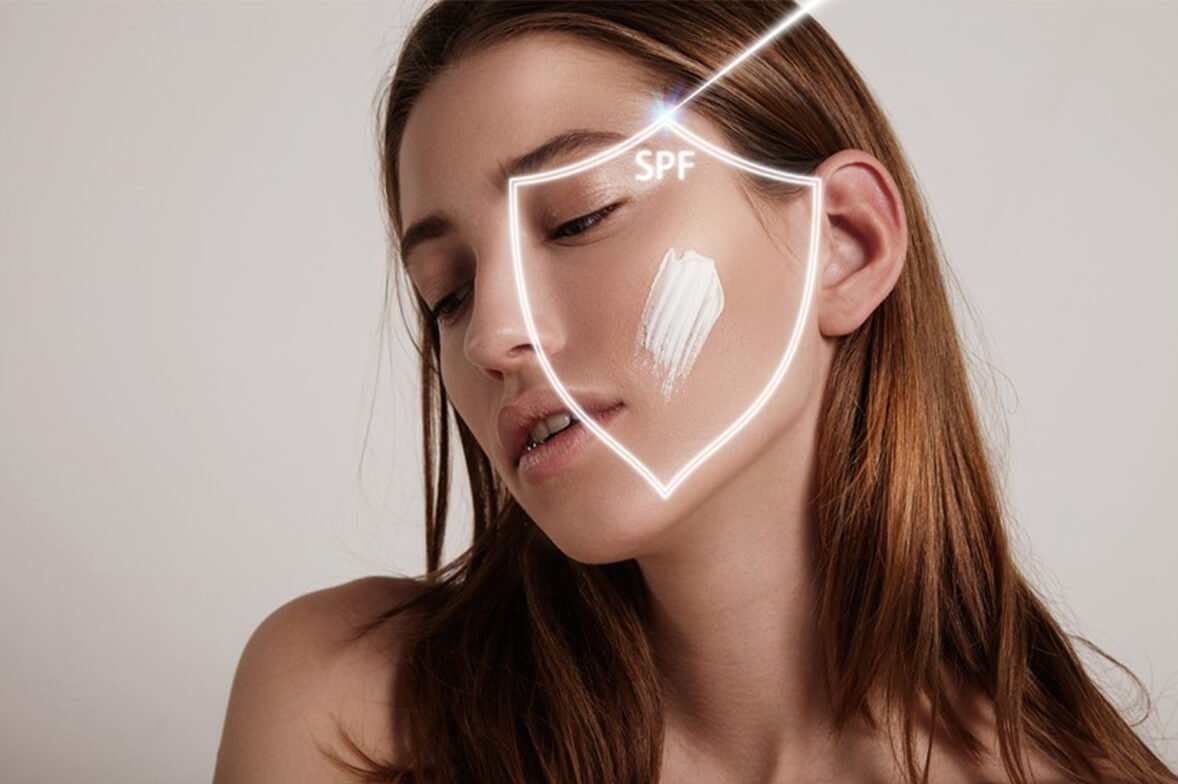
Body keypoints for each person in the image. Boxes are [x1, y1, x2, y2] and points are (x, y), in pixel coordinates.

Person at [212, 2, 1178, 782]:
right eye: (448, 293)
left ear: (843, 243)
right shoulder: (352, 711)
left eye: (582, 217)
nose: (495, 336)